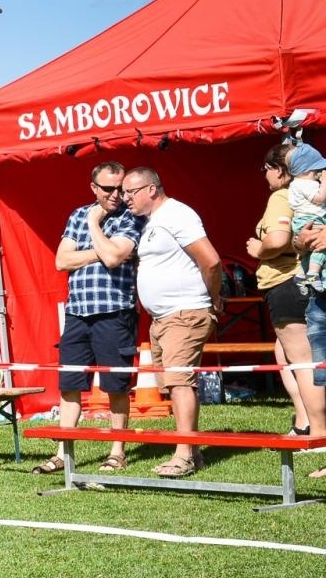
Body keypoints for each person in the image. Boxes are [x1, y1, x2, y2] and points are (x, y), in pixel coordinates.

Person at [31, 161, 145, 476]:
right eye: (107, 188)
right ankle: (62, 452)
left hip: (114, 312)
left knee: (116, 385)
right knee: (70, 385)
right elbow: (61, 260)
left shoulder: (131, 216)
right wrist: (100, 250)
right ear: (93, 188)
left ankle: (117, 451)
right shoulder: (77, 214)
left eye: (119, 188)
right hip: (78, 312)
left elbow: (113, 257)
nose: (115, 194)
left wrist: (95, 227)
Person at [106, 167, 221, 477]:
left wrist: (213, 299)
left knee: (181, 382)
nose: (125, 198)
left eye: (131, 192)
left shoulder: (178, 214)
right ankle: (191, 451)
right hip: (162, 318)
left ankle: (183, 454)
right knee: (172, 384)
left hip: (185, 312)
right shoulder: (149, 222)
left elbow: (210, 261)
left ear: (152, 190)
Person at [248, 143, 326, 453]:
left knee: (304, 361)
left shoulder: (282, 196)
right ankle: (303, 421)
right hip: (305, 280)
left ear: (280, 170)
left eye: (265, 169)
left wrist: (260, 249)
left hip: (288, 282)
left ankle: (317, 432)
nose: (264, 176)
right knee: (289, 357)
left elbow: (280, 238)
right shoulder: (313, 192)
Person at [286, 144, 326, 294]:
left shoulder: (295, 185)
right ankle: (313, 274)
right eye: (318, 170)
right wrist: (299, 243)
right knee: (320, 245)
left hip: (303, 220)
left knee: (318, 245)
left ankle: (303, 274)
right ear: (309, 171)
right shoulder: (307, 185)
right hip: (311, 220)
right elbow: (319, 198)